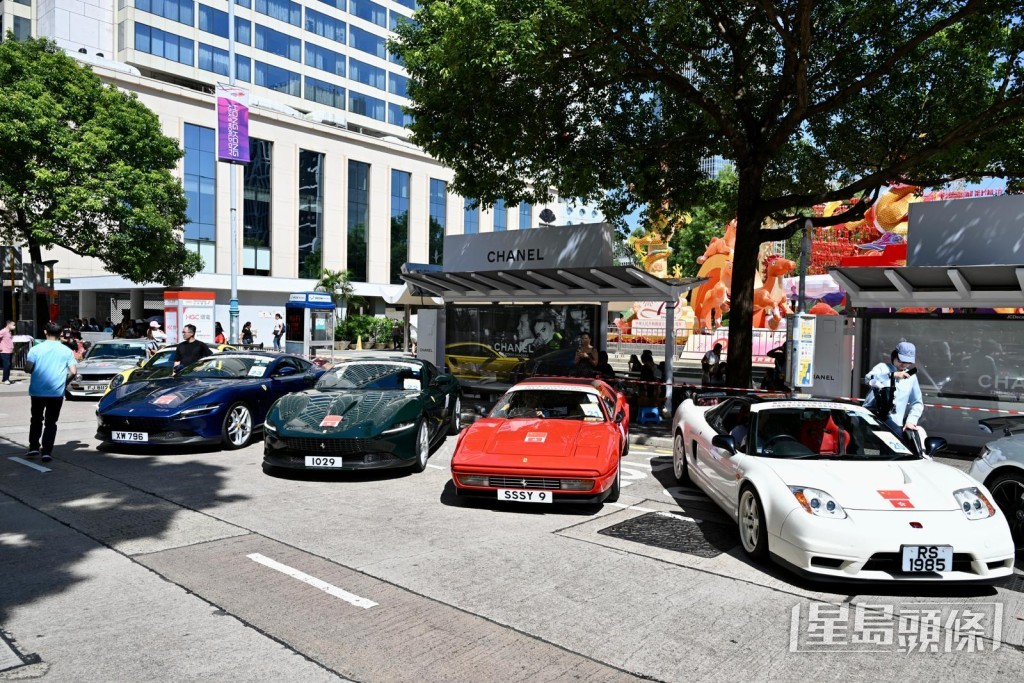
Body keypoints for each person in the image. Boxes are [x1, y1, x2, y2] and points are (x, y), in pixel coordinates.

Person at [25, 322, 77, 462]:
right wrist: (64, 382)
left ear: (45, 332)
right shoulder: (66, 350)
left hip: (37, 391)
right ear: (60, 334)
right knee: (51, 422)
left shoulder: (36, 349)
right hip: (56, 392)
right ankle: (47, 451)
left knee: (36, 419)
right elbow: (73, 371)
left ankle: (33, 447)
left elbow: (28, 368)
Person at [863, 341, 923, 438]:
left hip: (895, 423)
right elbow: (868, 379)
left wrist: (911, 421)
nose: (904, 365)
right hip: (871, 416)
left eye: (908, 362)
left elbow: (917, 402)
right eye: (901, 361)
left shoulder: (911, 377)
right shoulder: (882, 368)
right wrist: (892, 375)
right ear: (894, 356)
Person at [0, 319, 15, 384]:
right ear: (9, 325)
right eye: (13, 325)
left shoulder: (9, 332)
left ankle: (6, 379)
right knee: (7, 365)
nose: (14, 326)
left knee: (8, 365)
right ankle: (6, 379)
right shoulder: (3, 331)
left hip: (9, 351)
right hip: (4, 351)